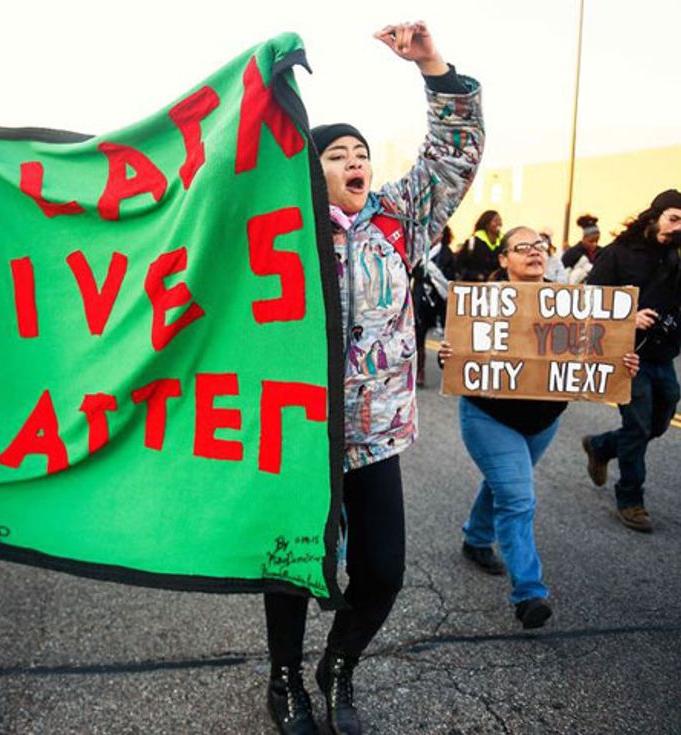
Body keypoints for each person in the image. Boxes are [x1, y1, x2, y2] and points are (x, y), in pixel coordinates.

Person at [262, 21, 484, 735]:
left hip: (375, 435)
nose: (355, 161)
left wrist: (433, 66)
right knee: (294, 568)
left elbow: (452, 159)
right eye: (337, 153)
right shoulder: (279, 230)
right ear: (311, 167)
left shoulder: (398, 220)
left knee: (382, 572)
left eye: (361, 153)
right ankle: (286, 679)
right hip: (298, 434)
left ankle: (339, 665)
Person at [437, 227, 639, 629]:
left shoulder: (574, 303)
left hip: (543, 421)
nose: (533, 252)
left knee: (505, 483)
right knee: (517, 497)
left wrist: (622, 363)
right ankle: (529, 593)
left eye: (539, 246)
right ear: (503, 259)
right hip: (489, 418)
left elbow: (595, 350)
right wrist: (450, 356)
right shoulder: (480, 302)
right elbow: (460, 354)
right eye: (522, 247)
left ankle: (477, 539)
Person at [581, 189, 681, 533]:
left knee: (659, 421)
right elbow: (589, 301)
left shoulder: (675, 256)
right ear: (653, 217)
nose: (677, 228)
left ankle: (601, 445)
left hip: (663, 354)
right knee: (638, 425)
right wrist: (628, 316)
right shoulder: (618, 254)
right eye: (673, 219)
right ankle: (631, 499)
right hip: (627, 355)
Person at [412, 225, 455, 387]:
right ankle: (420, 371)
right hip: (420, 296)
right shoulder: (419, 251)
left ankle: (449, 370)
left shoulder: (447, 253)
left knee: (446, 336)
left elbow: (451, 276)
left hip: (440, 298)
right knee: (419, 335)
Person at [454, 209, 502, 282]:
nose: (499, 223)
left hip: (497, 286)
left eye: (500, 220)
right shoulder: (472, 242)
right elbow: (459, 266)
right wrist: (477, 276)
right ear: (487, 224)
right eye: (495, 221)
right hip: (475, 285)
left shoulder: (504, 243)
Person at [563, 214, 602, 284]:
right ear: (584, 239)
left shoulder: (601, 252)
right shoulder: (572, 253)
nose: (594, 244)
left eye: (597, 241)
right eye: (591, 241)